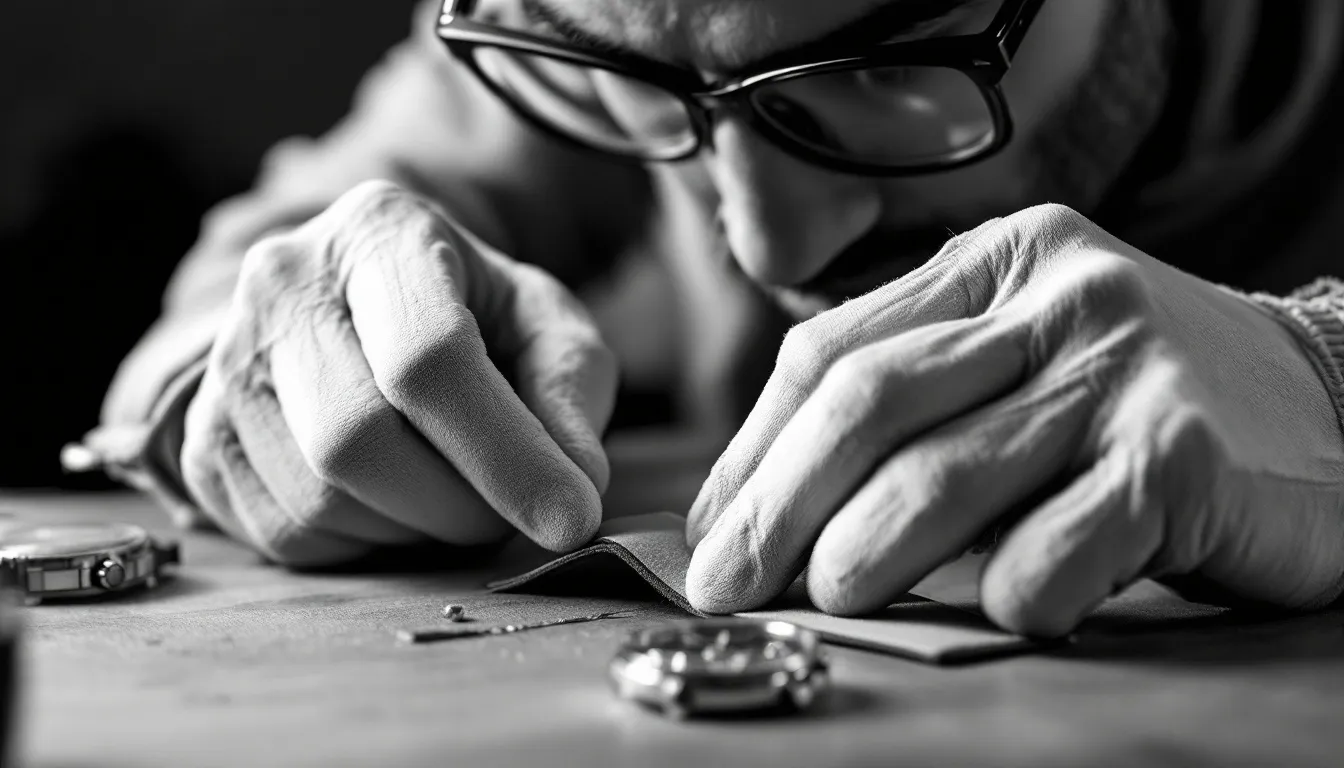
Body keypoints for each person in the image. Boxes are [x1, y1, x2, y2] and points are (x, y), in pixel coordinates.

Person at [84, 0, 1344, 637]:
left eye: (887, 65)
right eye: (642, 87)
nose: (769, 248)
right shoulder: (575, 31)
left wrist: (1322, 370)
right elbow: (259, 269)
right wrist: (262, 364)